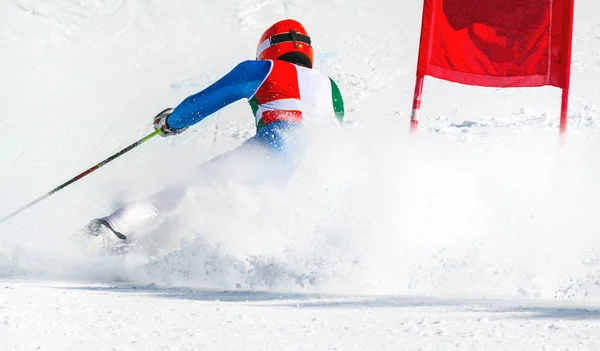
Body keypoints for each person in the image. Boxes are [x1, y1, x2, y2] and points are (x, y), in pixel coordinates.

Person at [83, 19, 345, 254]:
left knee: (178, 197)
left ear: (267, 48)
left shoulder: (262, 69)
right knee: (262, 219)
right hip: (320, 170)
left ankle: (106, 235)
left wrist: (171, 123)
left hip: (273, 149)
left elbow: (204, 102)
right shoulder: (331, 88)